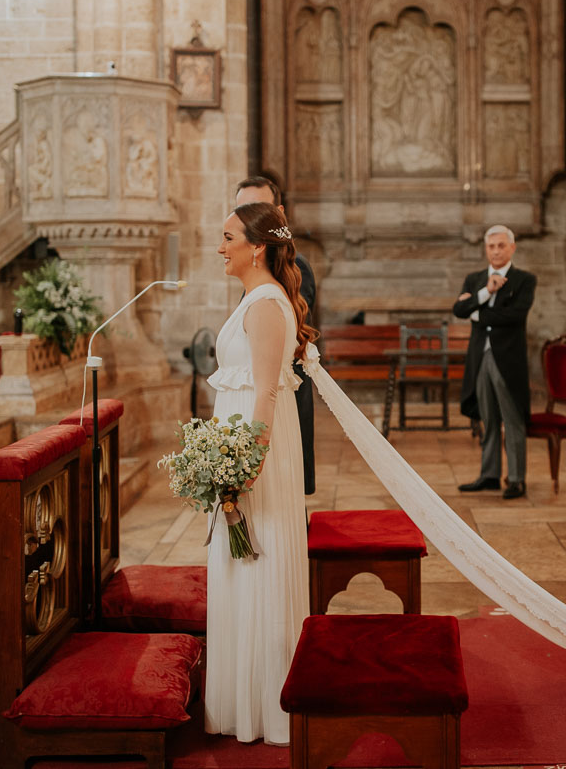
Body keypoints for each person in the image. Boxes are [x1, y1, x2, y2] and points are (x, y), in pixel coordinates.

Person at [204, 202, 316, 744]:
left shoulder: (268, 303)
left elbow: (267, 392)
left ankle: (267, 699)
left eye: (227, 237)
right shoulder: (252, 298)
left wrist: (247, 464)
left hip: (255, 459)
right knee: (239, 565)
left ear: (256, 245)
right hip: (237, 450)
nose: (220, 247)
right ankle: (242, 696)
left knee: (258, 559)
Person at [234, 176, 318, 496]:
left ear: (278, 213)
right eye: (243, 211)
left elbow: (288, 335)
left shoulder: (296, 268)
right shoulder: (252, 271)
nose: (249, 220)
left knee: (283, 494)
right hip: (254, 401)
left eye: (259, 209)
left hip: (283, 398)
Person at [454, 225, 537, 500]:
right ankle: (489, 475)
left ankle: (516, 478)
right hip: (480, 357)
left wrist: (476, 314)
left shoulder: (524, 279)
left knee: (511, 419)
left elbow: (515, 316)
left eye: (502, 245)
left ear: (512, 248)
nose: (497, 251)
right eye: (492, 246)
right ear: (486, 249)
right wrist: (484, 294)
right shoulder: (475, 278)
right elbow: (458, 310)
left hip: (508, 359)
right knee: (487, 418)